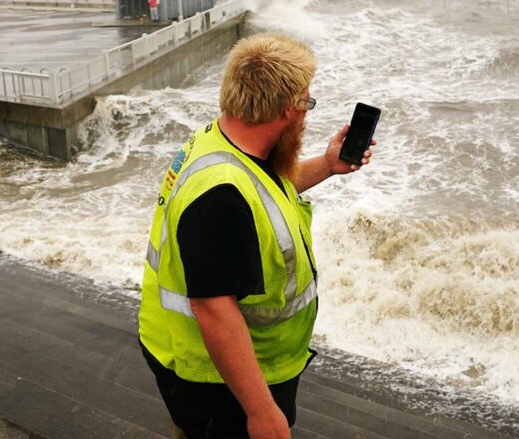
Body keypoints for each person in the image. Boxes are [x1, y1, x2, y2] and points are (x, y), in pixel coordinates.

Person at [138, 34, 376, 438]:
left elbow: (263, 194)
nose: (306, 112)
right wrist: (261, 411)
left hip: (193, 359)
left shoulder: (220, 139)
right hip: (219, 384)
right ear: (288, 109)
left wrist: (328, 165)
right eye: (306, 102)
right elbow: (214, 310)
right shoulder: (221, 197)